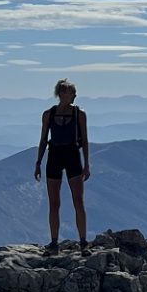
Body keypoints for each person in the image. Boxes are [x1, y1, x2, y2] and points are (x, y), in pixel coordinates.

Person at [34, 78, 91, 251]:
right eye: (72, 92)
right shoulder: (48, 114)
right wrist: (38, 162)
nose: (75, 95)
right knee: (54, 203)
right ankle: (54, 242)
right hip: (55, 156)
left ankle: (83, 241)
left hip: (73, 155)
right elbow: (43, 140)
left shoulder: (79, 114)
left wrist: (87, 164)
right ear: (61, 94)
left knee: (78, 201)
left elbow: (85, 140)